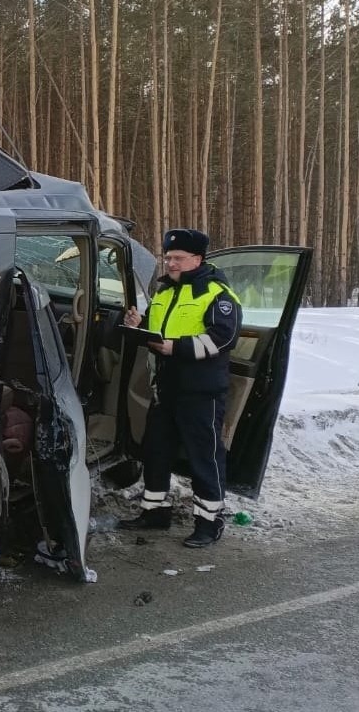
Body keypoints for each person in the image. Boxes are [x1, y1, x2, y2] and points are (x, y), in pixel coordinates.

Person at [118, 228, 242, 548]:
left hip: (201, 393)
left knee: (205, 458)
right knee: (156, 452)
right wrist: (138, 325)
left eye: (178, 258)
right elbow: (159, 330)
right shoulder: (165, 293)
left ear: (197, 259)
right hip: (165, 389)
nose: (170, 263)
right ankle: (155, 512)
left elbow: (223, 338)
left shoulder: (217, 294)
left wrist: (177, 349)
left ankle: (209, 522)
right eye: (168, 257)